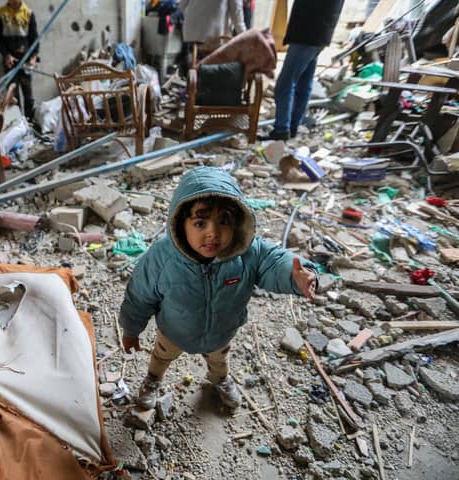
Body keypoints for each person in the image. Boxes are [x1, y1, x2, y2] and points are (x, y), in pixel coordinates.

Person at [119, 166, 317, 409]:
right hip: (174, 331)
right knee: (161, 356)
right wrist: (131, 329)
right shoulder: (162, 257)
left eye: (224, 222)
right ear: (181, 223)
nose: (213, 233)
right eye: (200, 223)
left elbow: (274, 261)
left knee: (220, 360)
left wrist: (294, 276)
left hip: (221, 332)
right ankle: (152, 380)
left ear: (237, 223)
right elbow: (139, 295)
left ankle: (219, 379)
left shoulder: (247, 251)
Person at [264, 0, 345, 140]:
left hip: (307, 32)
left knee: (284, 85)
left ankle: (281, 130)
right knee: (303, 84)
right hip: (319, 33)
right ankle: (292, 126)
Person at [0, 0, 39, 123]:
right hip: (10, 63)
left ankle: (30, 123)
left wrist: (33, 57)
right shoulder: (1, 14)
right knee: (13, 96)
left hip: (26, 62)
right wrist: (6, 55)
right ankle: (18, 124)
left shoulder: (28, 13)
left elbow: (34, 38)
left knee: (28, 95)